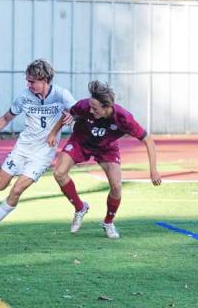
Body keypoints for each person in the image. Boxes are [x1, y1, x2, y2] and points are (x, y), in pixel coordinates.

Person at [0, 59, 77, 238]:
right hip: (22, 148)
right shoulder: (24, 96)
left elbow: (80, 111)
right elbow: (5, 119)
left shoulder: (62, 95)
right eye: (28, 80)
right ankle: (0, 171)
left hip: (43, 154)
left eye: (32, 81)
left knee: (17, 189)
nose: (28, 84)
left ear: (44, 79)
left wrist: (73, 115)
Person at [46, 80, 161, 239]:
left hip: (106, 148)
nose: (91, 111)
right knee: (59, 173)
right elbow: (68, 115)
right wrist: (52, 133)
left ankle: (108, 222)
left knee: (116, 187)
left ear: (107, 107)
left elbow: (148, 140)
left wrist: (153, 170)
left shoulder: (124, 118)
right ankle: (80, 208)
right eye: (90, 107)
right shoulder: (84, 105)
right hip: (80, 141)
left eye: (95, 108)